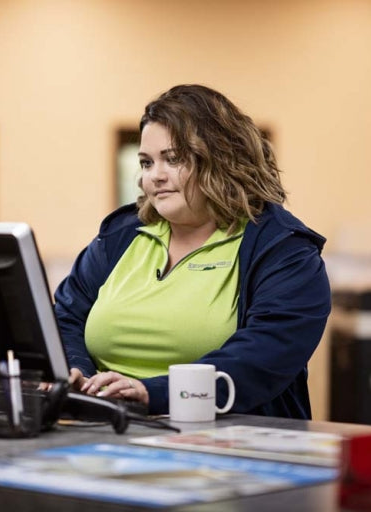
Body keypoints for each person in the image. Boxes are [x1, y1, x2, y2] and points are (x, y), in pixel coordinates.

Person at [53, 84, 331, 418]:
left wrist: (152, 393)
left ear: (222, 159)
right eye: (146, 163)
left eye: (173, 159)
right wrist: (76, 369)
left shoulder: (283, 250)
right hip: (109, 429)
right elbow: (66, 317)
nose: (155, 176)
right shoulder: (120, 236)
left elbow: (263, 359)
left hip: (228, 438)